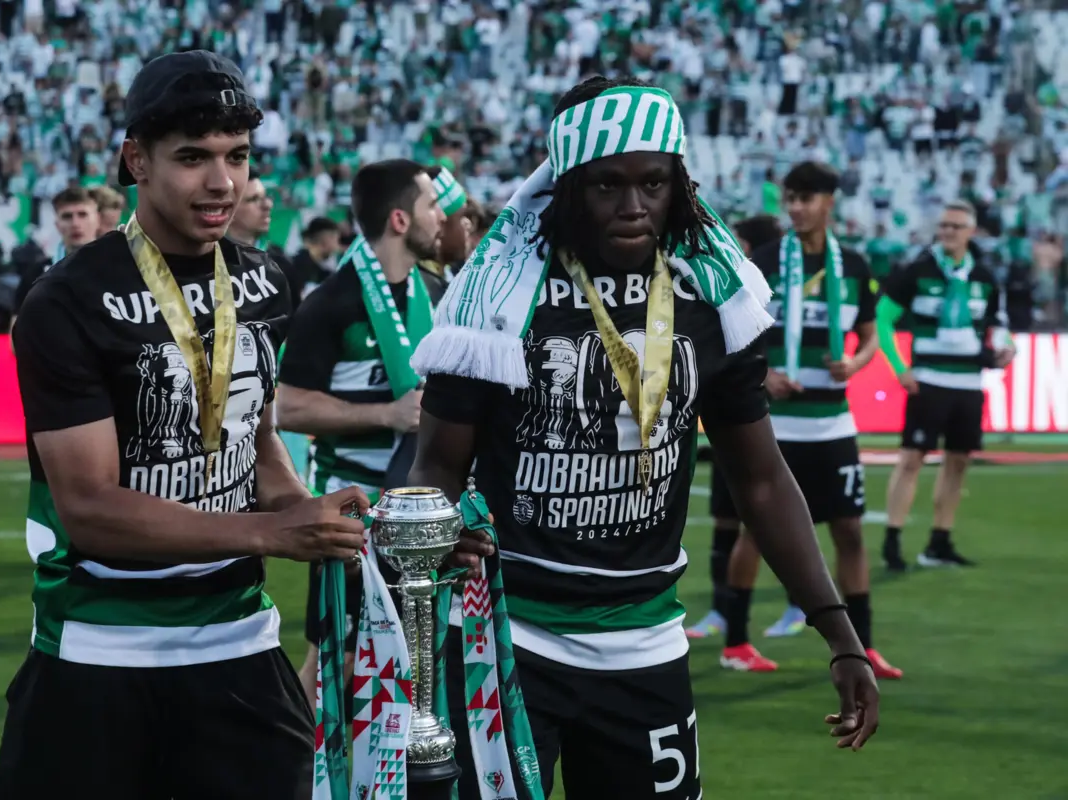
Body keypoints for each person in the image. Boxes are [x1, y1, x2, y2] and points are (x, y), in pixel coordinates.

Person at [409, 77, 879, 800]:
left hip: (648, 643)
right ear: (566, 185)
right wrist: (418, 588)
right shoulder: (495, 295)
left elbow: (759, 477)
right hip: (509, 637)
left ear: (679, 186)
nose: (633, 206)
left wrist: (838, 630)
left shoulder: (712, 292)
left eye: (653, 182)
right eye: (606, 185)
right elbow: (436, 467)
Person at [0, 51, 368, 800]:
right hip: (98, 657)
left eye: (237, 156)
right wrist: (272, 535)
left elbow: (255, 449)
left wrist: (343, 527)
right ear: (137, 160)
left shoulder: (264, 279)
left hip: (240, 649)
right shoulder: (65, 301)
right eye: (193, 157)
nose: (223, 181)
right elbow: (91, 509)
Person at [715, 162, 902, 680]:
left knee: (849, 531)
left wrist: (858, 362)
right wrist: (766, 371)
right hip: (775, 423)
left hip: (834, 422)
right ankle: (735, 642)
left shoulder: (857, 265)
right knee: (757, 531)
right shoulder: (765, 262)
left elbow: (868, 335)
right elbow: (734, 333)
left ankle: (862, 646)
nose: (795, 208)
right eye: (790, 199)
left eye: (805, 198)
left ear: (829, 202)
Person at [274, 158, 445, 705]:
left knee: (420, 655)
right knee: (337, 662)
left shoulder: (438, 295)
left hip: (421, 509)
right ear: (399, 220)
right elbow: (287, 408)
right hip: (352, 510)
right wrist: (386, 415)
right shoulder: (331, 304)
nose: (441, 217)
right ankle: (300, 774)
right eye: (431, 206)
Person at [879, 200, 1014, 569]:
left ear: (971, 231)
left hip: (969, 382)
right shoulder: (917, 270)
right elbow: (882, 318)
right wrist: (899, 367)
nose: (948, 232)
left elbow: (999, 327)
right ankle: (892, 540)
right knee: (911, 459)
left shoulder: (984, 277)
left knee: (958, 462)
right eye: (944, 226)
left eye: (956, 226)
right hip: (929, 381)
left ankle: (940, 541)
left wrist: (1007, 349)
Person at [686, 213, 783, 642]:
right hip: (726, 420)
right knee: (725, 520)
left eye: (740, 241)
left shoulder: (760, 287)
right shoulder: (722, 290)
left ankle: (795, 606)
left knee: (761, 518)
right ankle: (722, 613)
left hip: (762, 422)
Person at [11, 186, 100, 328]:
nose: (75, 224)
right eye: (67, 216)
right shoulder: (37, 274)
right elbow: (16, 336)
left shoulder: (120, 269)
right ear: (57, 225)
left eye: (82, 214)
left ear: (97, 220)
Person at [418, 165, 476, 305]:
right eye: (462, 216)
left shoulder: (448, 275)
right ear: (440, 225)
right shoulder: (424, 291)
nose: (469, 225)